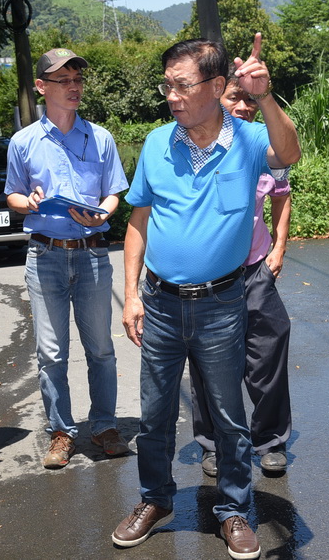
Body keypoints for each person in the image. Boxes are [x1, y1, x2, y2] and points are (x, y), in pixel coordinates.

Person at [112, 34, 300, 560]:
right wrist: (131, 296)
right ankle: (155, 500)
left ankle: (234, 510)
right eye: (166, 85)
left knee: (227, 415)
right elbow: (138, 222)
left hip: (222, 304)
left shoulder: (247, 139)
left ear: (218, 86)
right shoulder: (155, 143)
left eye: (182, 85)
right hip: (162, 303)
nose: (171, 96)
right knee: (153, 416)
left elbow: (290, 154)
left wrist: (264, 95)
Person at [6, 48, 130, 469]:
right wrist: (30, 201)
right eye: (63, 80)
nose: (74, 86)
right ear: (42, 87)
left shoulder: (102, 137)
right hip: (46, 256)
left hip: (93, 254)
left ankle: (105, 425)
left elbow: (115, 192)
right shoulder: (23, 142)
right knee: (51, 352)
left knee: (101, 349)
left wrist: (104, 211)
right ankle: (61, 432)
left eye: (77, 79)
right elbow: (13, 194)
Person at [190, 77, 293, 479]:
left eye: (251, 100)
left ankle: (269, 440)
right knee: (207, 362)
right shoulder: (197, 145)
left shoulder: (263, 147)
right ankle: (214, 444)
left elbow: (282, 195)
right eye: (237, 97)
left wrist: (279, 248)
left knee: (268, 352)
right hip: (209, 278)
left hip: (255, 271)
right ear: (216, 96)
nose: (245, 106)